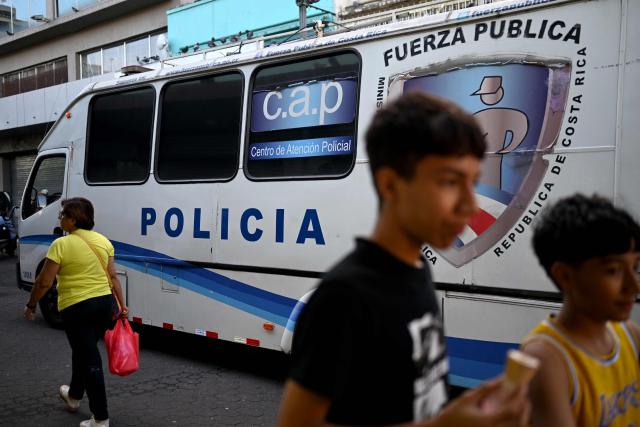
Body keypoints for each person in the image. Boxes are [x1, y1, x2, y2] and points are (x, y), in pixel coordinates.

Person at [277, 92, 529, 427]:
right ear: (391, 185)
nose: (471, 206)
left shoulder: (416, 269)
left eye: (473, 183)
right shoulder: (344, 298)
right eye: (451, 182)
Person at [522, 194, 640, 426]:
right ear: (565, 276)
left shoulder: (630, 336)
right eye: (613, 270)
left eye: (635, 266)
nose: (634, 285)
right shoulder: (546, 359)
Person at [24, 197, 128, 427]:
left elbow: (44, 282)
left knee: (90, 357)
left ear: (73, 219)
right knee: (84, 348)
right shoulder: (103, 241)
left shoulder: (61, 244)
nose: (60, 219)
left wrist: (31, 305)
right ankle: (73, 396)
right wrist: (122, 305)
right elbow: (113, 276)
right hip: (104, 304)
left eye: (62, 215)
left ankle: (100, 418)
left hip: (77, 307)